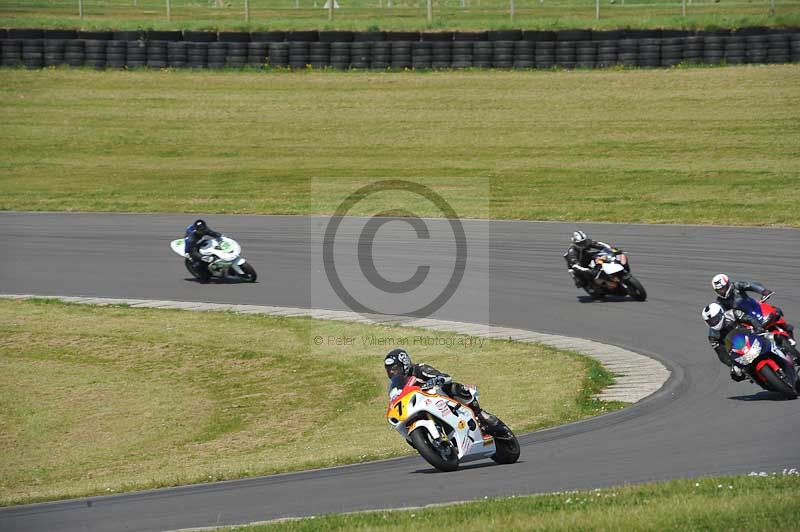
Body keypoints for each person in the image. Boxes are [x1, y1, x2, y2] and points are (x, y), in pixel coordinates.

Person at [383, 348, 502, 435]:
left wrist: (437, 380)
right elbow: (396, 398)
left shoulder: (419, 369)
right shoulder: (397, 384)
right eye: (389, 370)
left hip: (437, 397)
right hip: (420, 406)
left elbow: (445, 377)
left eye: (395, 368)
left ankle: (480, 413)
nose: (392, 372)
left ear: (405, 364)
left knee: (452, 387)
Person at [701, 302, 768, 381]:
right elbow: (721, 353)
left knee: (773, 337)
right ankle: (760, 380)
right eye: (710, 321)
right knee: (736, 375)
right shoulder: (713, 336)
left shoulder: (732, 314)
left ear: (721, 313)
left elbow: (749, 319)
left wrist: (758, 327)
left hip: (750, 336)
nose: (714, 323)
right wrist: (732, 364)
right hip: (737, 351)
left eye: (715, 319)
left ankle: (780, 348)